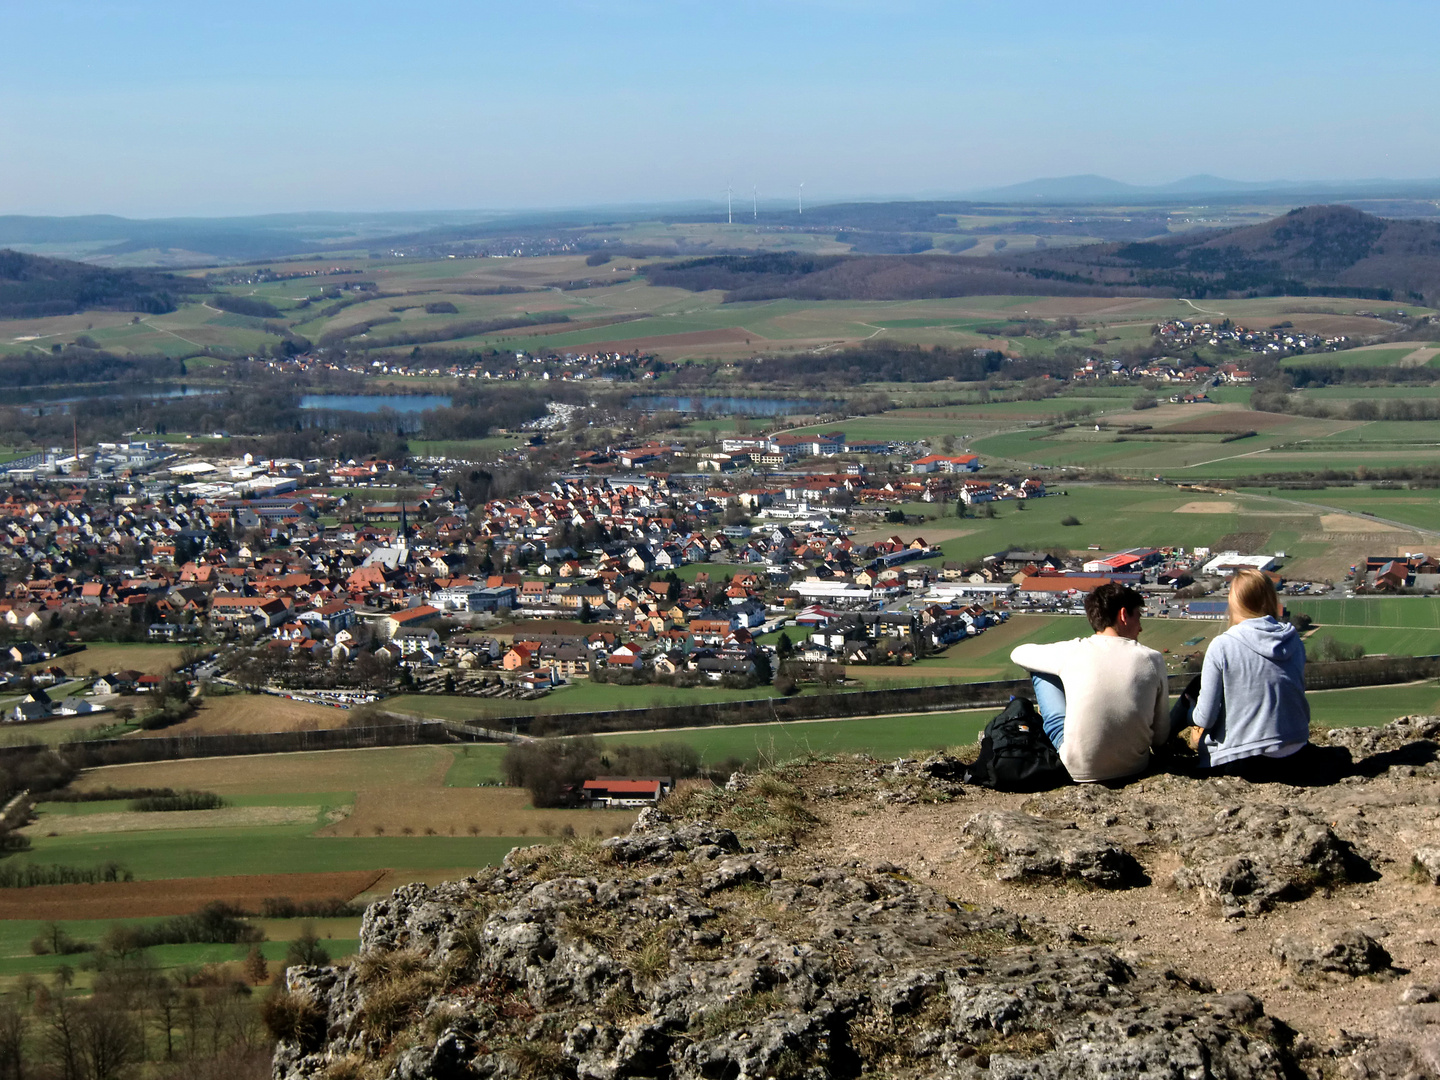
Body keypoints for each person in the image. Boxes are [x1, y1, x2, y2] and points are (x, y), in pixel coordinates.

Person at [1174, 568, 1336, 782]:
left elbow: (1206, 717)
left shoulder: (1222, 645)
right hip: (1297, 750)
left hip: (1247, 760)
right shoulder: (1293, 640)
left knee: (1193, 693)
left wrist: (1192, 714)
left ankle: (1161, 744)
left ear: (1235, 602)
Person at [1009, 582, 1169, 783]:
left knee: (1041, 670)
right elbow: (1161, 736)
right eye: (1138, 616)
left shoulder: (1073, 651)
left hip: (1078, 769)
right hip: (1135, 765)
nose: (1141, 626)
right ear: (1123, 615)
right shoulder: (1152, 659)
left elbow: (1018, 653)